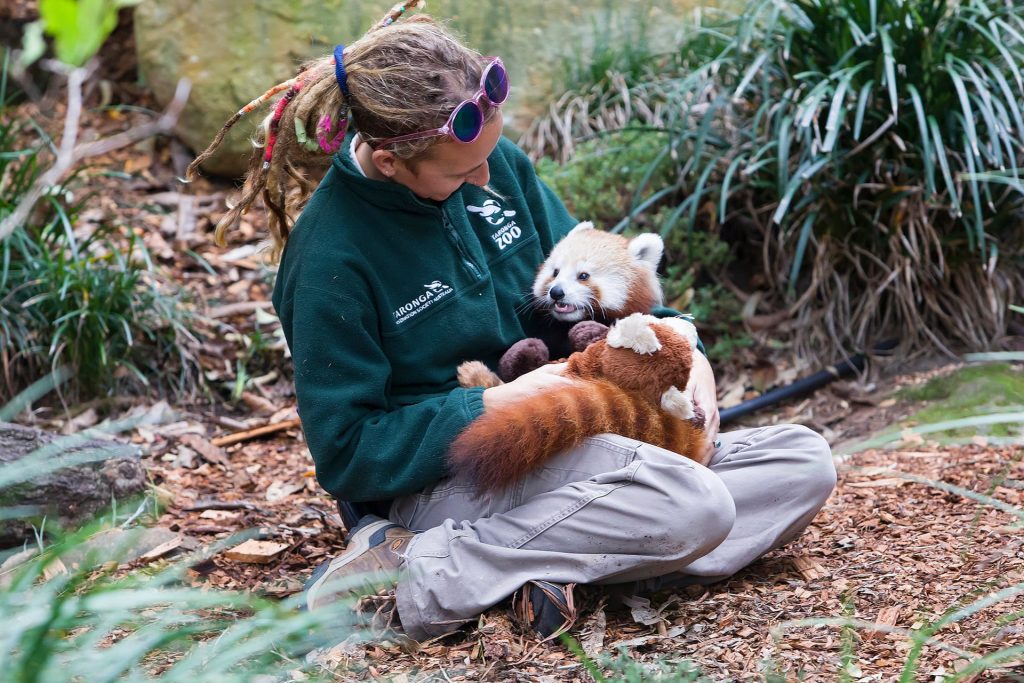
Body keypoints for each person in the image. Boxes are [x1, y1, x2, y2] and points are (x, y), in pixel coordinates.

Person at [188, 1, 837, 643]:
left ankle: (546, 564)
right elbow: (349, 452)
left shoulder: (496, 170)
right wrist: (494, 403)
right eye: (465, 171)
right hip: (453, 475)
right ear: (391, 161)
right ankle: (413, 573)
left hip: (577, 424)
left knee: (803, 463)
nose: (490, 177)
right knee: (696, 504)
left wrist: (684, 344)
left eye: (490, 157)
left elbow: (602, 284)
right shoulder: (329, 257)